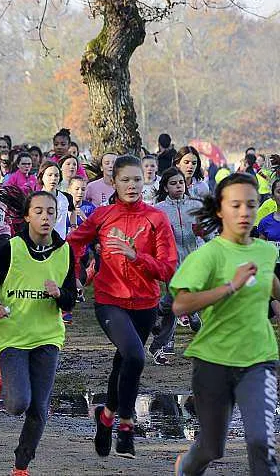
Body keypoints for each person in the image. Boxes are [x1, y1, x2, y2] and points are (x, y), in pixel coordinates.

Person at [67, 155, 177, 459]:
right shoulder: (103, 216)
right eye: (125, 180)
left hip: (145, 304)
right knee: (135, 356)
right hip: (109, 300)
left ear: (145, 182)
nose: (132, 185)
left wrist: (135, 256)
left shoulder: (156, 218)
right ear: (113, 182)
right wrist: (74, 275)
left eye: (137, 179)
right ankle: (126, 425)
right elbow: (73, 243)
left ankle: (106, 418)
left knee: (124, 363)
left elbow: (168, 268)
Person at [171, 173, 279, 476]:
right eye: (236, 205)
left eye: (251, 205)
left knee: (261, 442)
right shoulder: (208, 255)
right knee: (211, 447)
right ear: (220, 210)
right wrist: (230, 286)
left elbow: (272, 285)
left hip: (259, 359)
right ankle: (185, 468)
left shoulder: (265, 251)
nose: (244, 212)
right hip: (214, 361)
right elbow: (181, 304)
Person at [0, 189, 77, 476]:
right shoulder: (11, 249)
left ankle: (21, 466)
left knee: (39, 407)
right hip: (13, 336)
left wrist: (60, 294)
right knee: (18, 404)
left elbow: (71, 300)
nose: (45, 217)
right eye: (39, 211)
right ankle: (2, 375)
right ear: (27, 217)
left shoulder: (65, 251)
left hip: (48, 337)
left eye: (50, 212)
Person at [148, 167, 205, 365]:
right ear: (165, 187)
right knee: (177, 298)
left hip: (193, 260)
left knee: (174, 305)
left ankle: (156, 322)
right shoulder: (159, 209)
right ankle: (189, 315)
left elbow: (207, 231)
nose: (178, 186)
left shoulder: (195, 205)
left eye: (181, 182)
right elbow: (152, 236)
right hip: (170, 263)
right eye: (173, 183)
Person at [36, 162, 73, 240]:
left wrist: (73, 226)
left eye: (56, 175)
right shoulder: (35, 199)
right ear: (42, 177)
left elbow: (72, 210)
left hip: (61, 241)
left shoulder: (66, 197)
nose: (53, 178)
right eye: (49, 175)